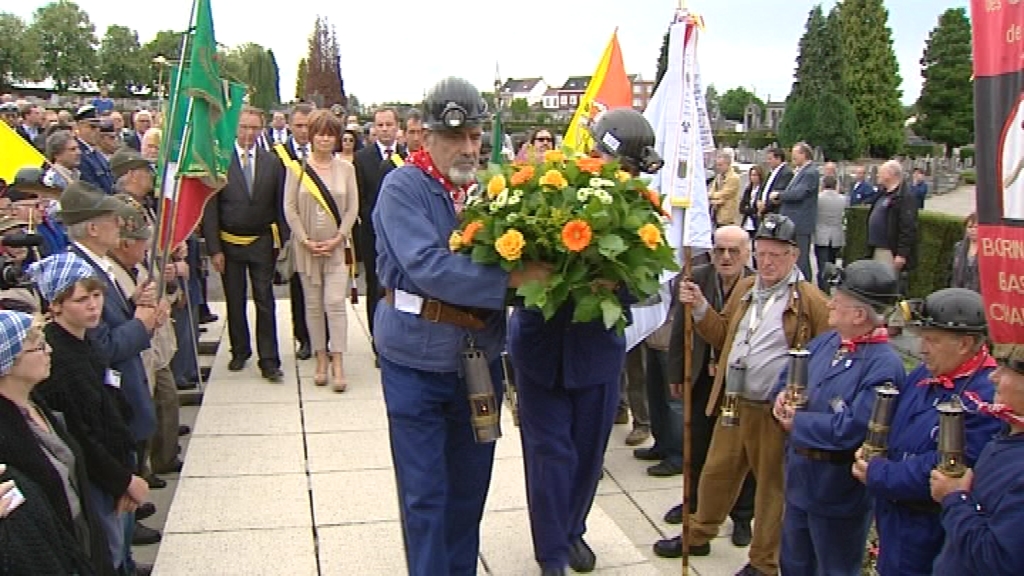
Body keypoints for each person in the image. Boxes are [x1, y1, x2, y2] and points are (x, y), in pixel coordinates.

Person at [372, 76, 548, 576]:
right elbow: (428, 265)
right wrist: (516, 279)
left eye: (474, 136)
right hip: (416, 365)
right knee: (426, 498)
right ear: (424, 135)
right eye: (455, 137)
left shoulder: (490, 192)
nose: (468, 147)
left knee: (469, 495)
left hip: (479, 364)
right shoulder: (403, 186)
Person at [509, 107, 656, 576]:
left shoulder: (641, 208)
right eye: (624, 164)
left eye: (633, 170)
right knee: (550, 454)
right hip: (542, 348)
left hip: (596, 352)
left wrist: (617, 285)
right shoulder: (549, 187)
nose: (626, 175)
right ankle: (551, 553)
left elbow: (647, 281)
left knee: (589, 455)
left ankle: (572, 530)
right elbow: (512, 267)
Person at [677, 213, 831, 576]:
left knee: (771, 490)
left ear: (794, 256)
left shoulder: (809, 299)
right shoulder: (747, 289)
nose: (768, 262)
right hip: (734, 402)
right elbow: (721, 336)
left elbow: (826, 352)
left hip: (772, 412)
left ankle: (764, 563)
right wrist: (699, 306)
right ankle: (697, 534)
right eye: (762, 253)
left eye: (777, 254)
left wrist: (802, 399)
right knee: (716, 474)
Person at [852, 288, 1003, 576]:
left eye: (932, 339)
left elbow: (945, 468)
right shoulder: (927, 372)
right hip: (896, 521)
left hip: (931, 532)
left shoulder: (986, 399)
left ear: (965, 344)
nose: (922, 348)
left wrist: (878, 473)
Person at [772, 260, 906, 576]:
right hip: (801, 481)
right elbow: (790, 375)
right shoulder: (827, 342)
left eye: (838, 300)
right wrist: (779, 395)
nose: (830, 304)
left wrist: (797, 424)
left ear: (860, 315)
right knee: (793, 564)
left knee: (833, 569)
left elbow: (854, 429)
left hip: (836, 493)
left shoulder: (883, 365)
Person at [30, 252, 151, 575]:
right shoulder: (60, 361)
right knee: (106, 552)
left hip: (115, 465)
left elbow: (111, 409)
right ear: (56, 305)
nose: (93, 306)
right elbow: (82, 434)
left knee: (120, 545)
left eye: (97, 296)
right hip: (99, 477)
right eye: (82, 299)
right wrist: (121, 480)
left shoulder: (85, 343)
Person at [654, 226, 757, 557]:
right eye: (720, 250)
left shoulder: (756, 286)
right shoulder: (697, 276)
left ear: (747, 254)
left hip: (737, 383)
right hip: (701, 374)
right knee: (696, 444)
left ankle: (742, 516)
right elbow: (678, 326)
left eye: (734, 252)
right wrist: (675, 370)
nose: (725, 257)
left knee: (742, 453)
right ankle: (693, 506)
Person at [0, 310, 118, 576]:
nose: (49, 350)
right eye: (39, 347)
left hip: (81, 534)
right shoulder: (5, 434)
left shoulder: (34, 403)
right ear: (9, 362)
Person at [201, 106, 286, 382]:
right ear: (235, 129)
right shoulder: (221, 163)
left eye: (254, 128)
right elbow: (210, 208)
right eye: (244, 127)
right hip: (229, 244)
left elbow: (280, 206)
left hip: (262, 242)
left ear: (262, 129)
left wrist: (283, 244)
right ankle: (239, 350)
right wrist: (214, 249)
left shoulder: (272, 162)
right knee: (235, 300)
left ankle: (269, 360)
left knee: (265, 300)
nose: (249, 133)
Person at [929, 344, 1024, 575]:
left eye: (1007, 369)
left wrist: (954, 498)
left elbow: (997, 561)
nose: (993, 376)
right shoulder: (1005, 438)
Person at [283, 109, 359, 392]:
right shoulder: (297, 169)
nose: (325, 140)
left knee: (334, 304)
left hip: (337, 249)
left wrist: (339, 237)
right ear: (311, 136)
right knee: (313, 307)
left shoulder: (346, 169)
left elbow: (353, 208)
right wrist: (304, 239)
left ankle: (338, 359)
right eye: (320, 134)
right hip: (308, 249)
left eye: (330, 134)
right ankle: (320, 358)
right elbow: (289, 207)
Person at [951, 212, 979, 293]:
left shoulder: (988, 249)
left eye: (977, 227)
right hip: (959, 291)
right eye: (970, 227)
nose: (973, 230)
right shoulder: (958, 247)